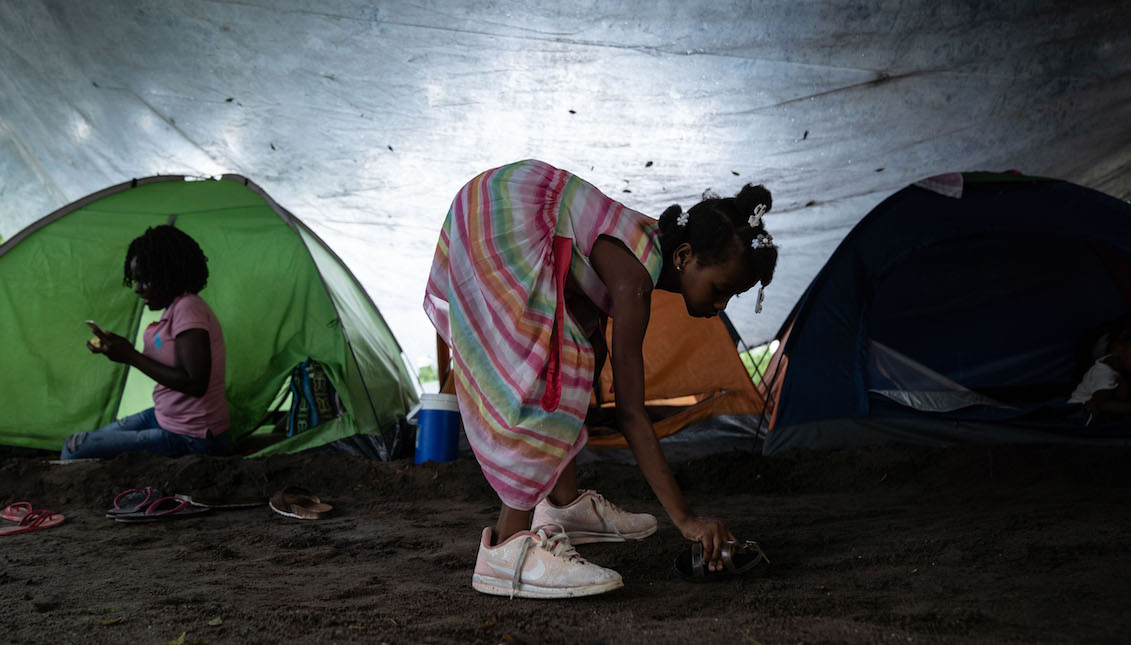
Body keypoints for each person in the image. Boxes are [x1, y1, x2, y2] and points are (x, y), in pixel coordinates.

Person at [423, 159, 778, 598]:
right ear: (685, 257)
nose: (722, 304)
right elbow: (632, 412)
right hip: (502, 214)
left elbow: (589, 309)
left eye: (733, 296)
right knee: (551, 373)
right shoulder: (635, 281)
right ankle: (506, 548)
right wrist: (687, 521)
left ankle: (563, 507)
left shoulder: (649, 248)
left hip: (506, 204)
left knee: (582, 353)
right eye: (720, 288)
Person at [60, 225, 231, 460]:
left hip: (193, 437)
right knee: (77, 444)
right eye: (136, 281)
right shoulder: (174, 309)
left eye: (145, 281)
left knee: (74, 451)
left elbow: (195, 383)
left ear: (169, 275)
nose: (138, 289)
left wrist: (131, 356)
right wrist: (122, 349)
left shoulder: (188, 309)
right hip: (165, 417)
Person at [1069, 322, 1131, 425]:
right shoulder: (1104, 371)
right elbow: (1102, 405)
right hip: (1081, 415)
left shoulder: (1122, 367)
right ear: (1117, 349)